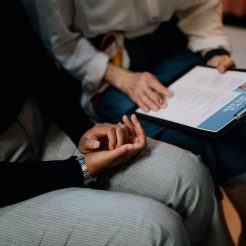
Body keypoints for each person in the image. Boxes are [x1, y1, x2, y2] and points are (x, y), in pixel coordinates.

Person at [0, 1, 228, 245]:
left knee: (191, 177)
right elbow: (62, 44)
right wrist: (79, 170)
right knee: (157, 229)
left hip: (40, 124)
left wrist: (83, 130)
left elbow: (35, 61)